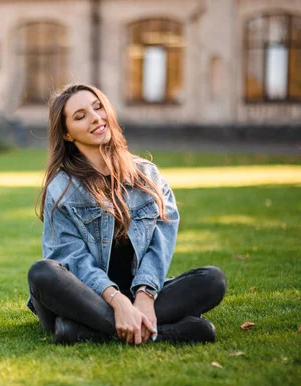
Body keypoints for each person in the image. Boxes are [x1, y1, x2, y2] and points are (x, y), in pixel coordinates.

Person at [27, 84, 227, 345]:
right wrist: (116, 300)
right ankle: (168, 332)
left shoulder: (148, 176)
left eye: (98, 107)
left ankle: (81, 332)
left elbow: (160, 245)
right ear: (66, 134)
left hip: (138, 294)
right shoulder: (62, 188)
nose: (96, 118)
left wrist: (144, 295)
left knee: (212, 280)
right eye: (80, 116)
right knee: (42, 273)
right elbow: (72, 259)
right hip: (84, 298)